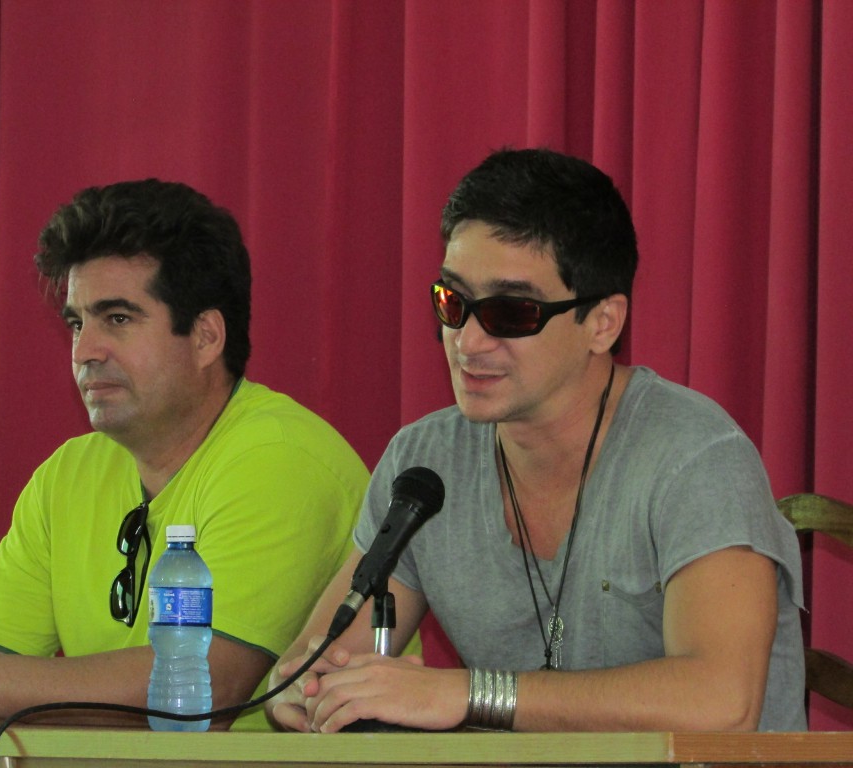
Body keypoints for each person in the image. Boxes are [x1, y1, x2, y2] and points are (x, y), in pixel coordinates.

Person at [267, 148, 806, 733]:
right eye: (453, 302)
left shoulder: (694, 457)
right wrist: (306, 688)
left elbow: (721, 703)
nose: (467, 343)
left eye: (511, 312)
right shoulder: (424, 465)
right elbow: (317, 661)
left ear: (602, 323)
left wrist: (470, 694)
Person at [0, 179, 369, 730]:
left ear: (205, 337)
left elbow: (205, 690)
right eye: (77, 323)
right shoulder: (69, 474)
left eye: (117, 319)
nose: (84, 352)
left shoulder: (280, 459)